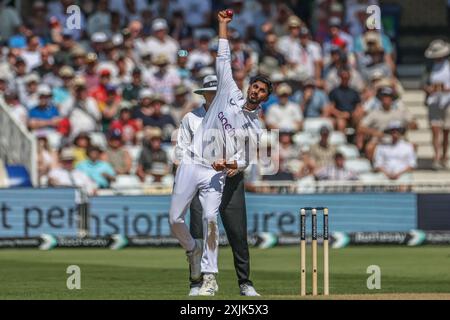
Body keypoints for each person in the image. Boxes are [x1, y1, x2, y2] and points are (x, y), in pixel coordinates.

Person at [168, 11, 272, 297]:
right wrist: (223, 26)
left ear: (265, 97)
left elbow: (246, 159)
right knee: (175, 219)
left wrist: (230, 163)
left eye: (262, 91)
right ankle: (192, 249)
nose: (256, 91)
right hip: (192, 163)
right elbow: (223, 58)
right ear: (250, 86)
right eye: (256, 86)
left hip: (217, 173)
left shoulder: (255, 126)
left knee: (213, 221)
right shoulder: (228, 90)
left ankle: (213, 279)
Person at [175, 75, 260, 296]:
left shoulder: (234, 114)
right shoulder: (191, 118)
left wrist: (237, 166)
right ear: (204, 94)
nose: (214, 96)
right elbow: (181, 148)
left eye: (217, 92)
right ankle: (198, 282)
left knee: (237, 232)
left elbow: (244, 143)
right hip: (199, 176)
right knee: (198, 228)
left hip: (230, 177)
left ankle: (245, 283)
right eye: (210, 92)